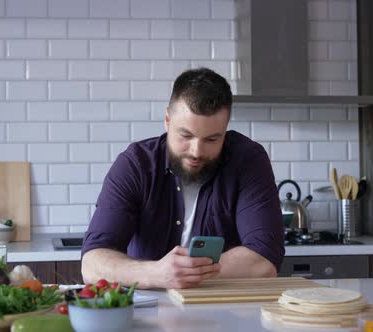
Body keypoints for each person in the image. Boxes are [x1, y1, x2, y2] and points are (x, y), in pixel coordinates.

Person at [81, 68, 284, 289]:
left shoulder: (248, 160)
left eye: (212, 139)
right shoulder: (135, 164)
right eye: (186, 136)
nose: (196, 151)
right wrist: (156, 273)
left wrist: (187, 274)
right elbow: (91, 265)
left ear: (226, 129)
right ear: (167, 120)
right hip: (148, 309)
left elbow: (265, 261)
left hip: (225, 309)